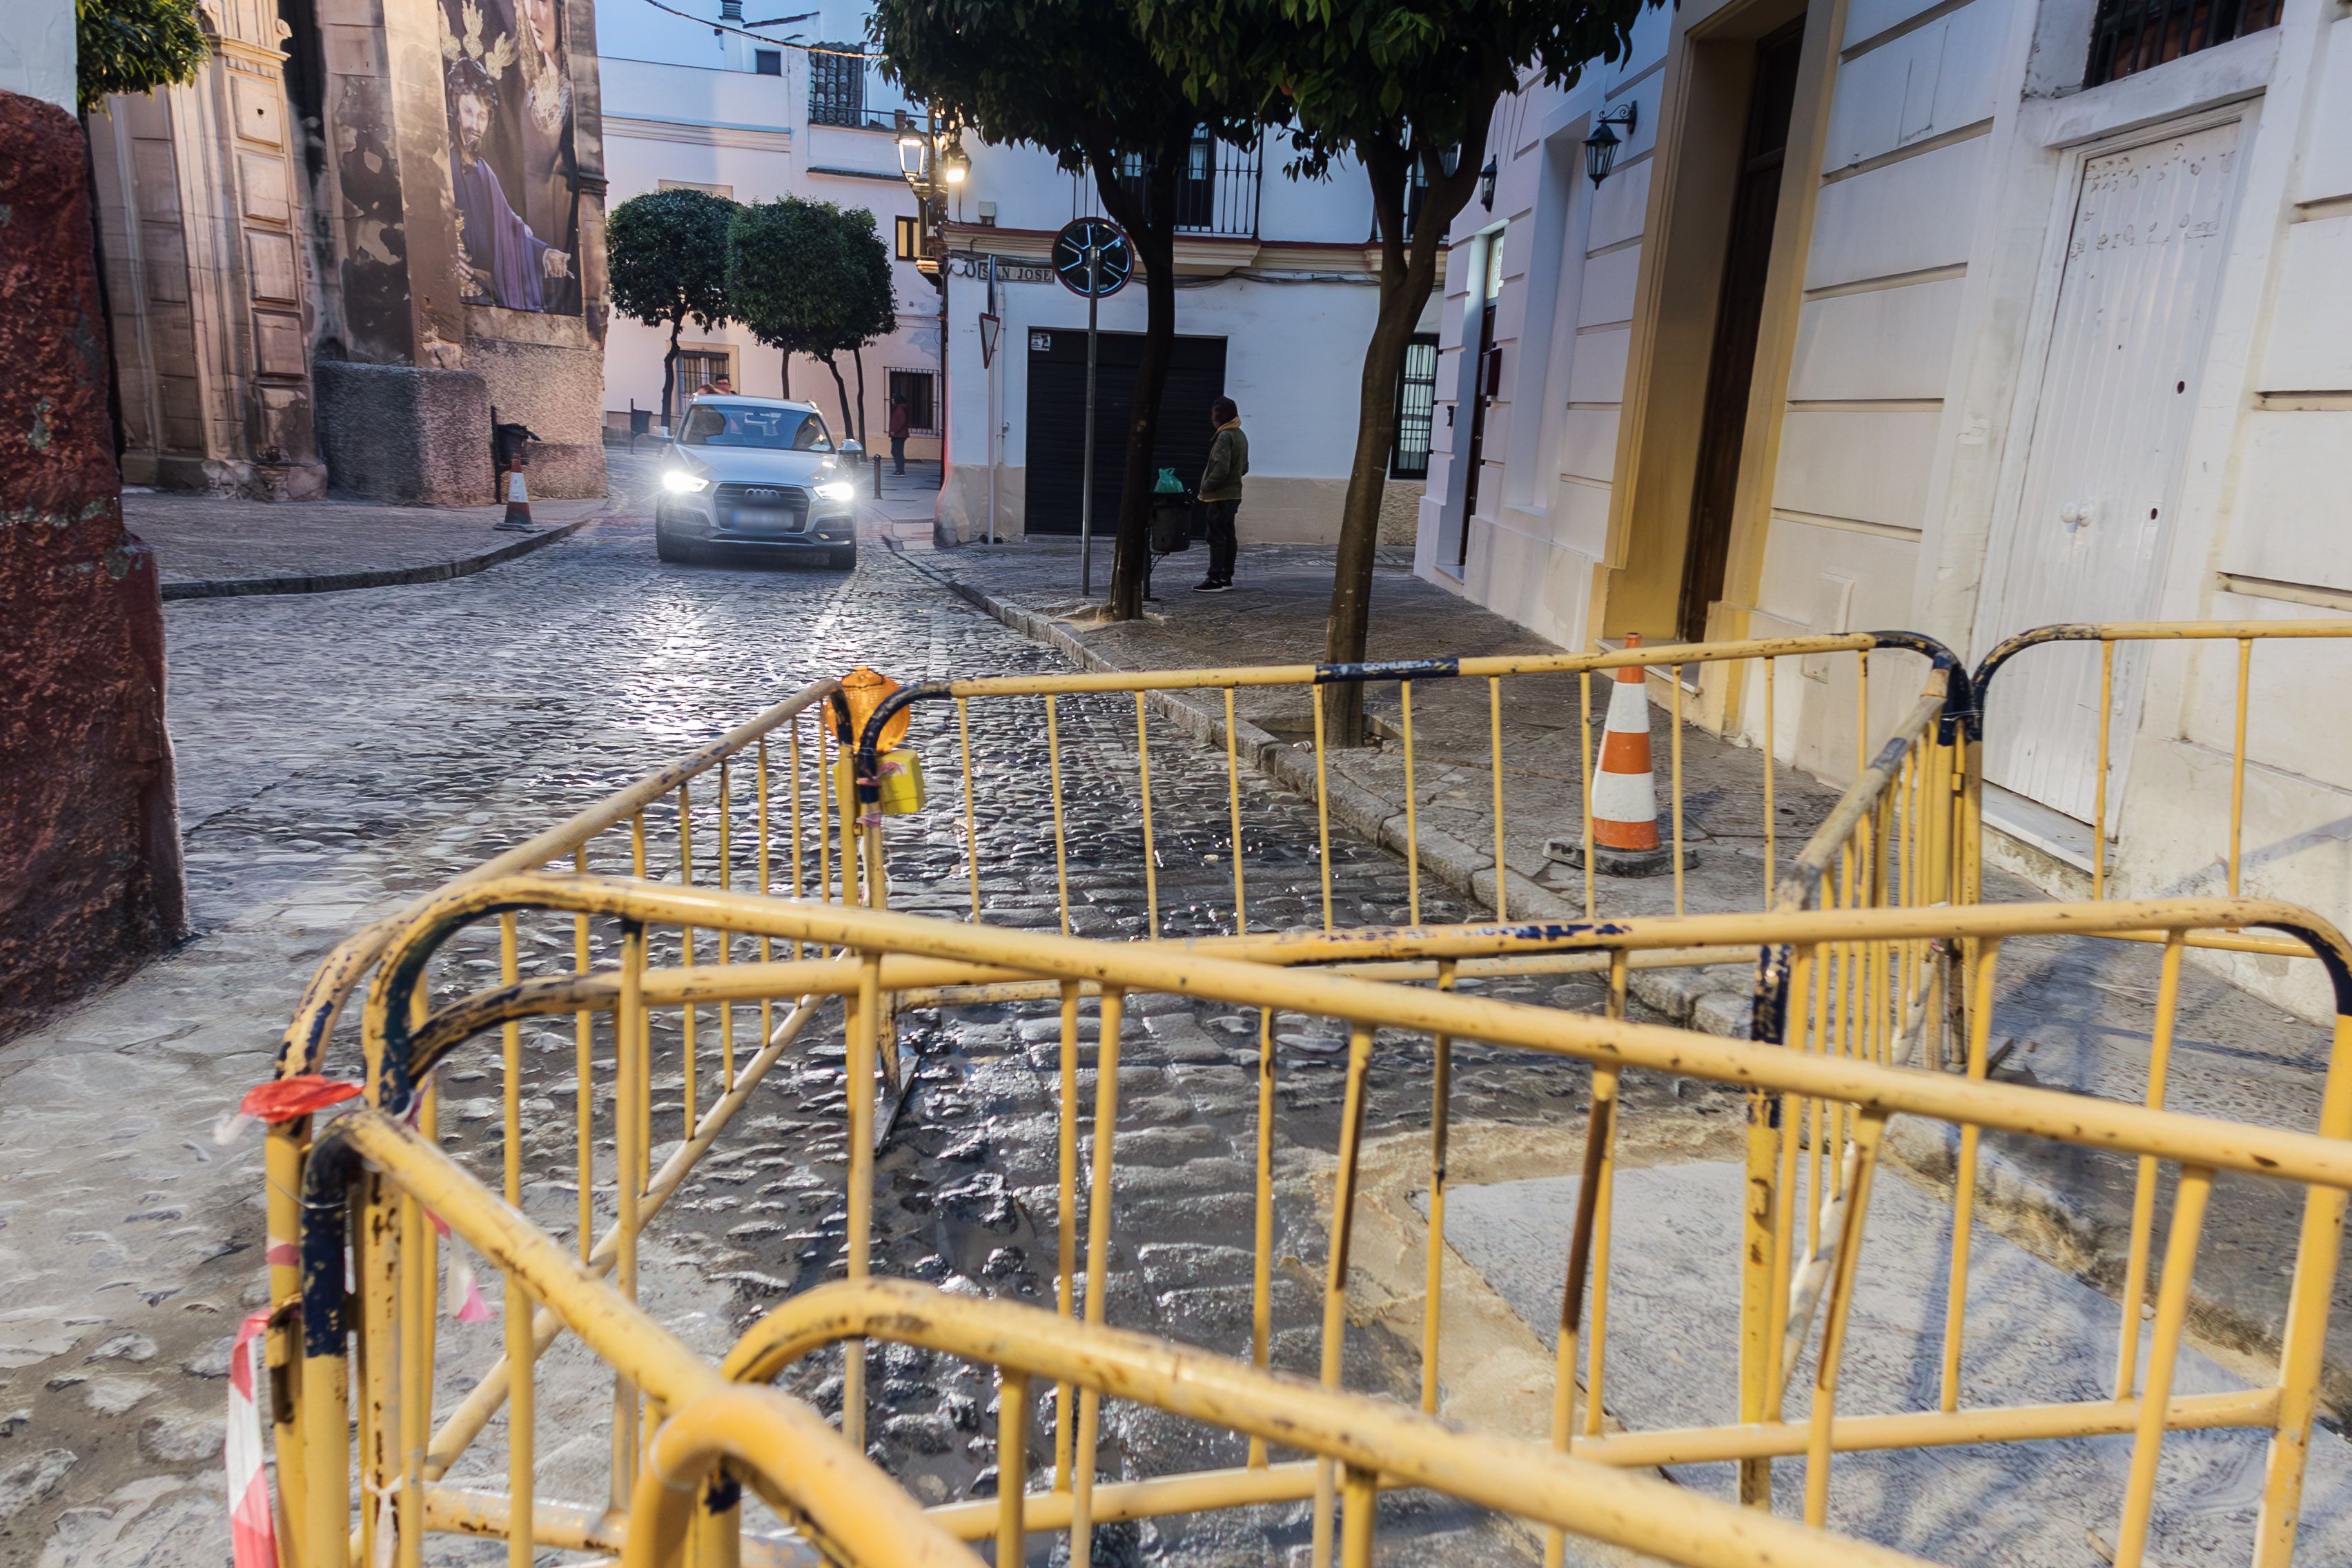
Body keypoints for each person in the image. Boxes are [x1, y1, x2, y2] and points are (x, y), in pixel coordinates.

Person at [447, 57, 571, 311]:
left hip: (485, 295)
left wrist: (545, 254)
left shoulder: (485, 173)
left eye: (482, 116)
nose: (475, 125)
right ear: (456, 111)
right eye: (469, 112)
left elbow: (511, 229)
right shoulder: (441, 163)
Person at [1194, 396, 1248, 592]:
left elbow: (1220, 469)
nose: (1211, 417)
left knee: (1216, 536)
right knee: (1228, 535)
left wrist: (1206, 486)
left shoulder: (1225, 436)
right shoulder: (1240, 435)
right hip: (1233, 494)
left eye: (1213, 413)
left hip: (1220, 496)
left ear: (1220, 415)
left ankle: (1215, 578)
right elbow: (1245, 467)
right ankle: (1226, 577)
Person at [888, 393, 911, 476]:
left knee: (897, 452)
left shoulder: (900, 409)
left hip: (899, 434)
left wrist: (895, 431)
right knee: (895, 451)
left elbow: (902, 421)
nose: (892, 400)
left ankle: (900, 470)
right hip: (897, 434)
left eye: (894, 399)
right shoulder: (898, 408)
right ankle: (899, 469)